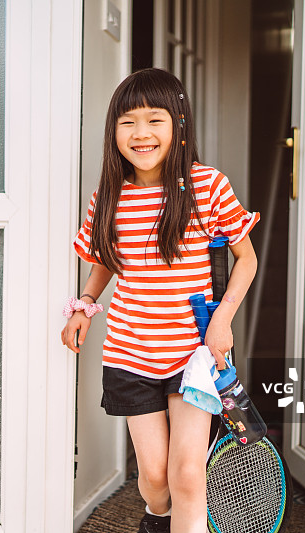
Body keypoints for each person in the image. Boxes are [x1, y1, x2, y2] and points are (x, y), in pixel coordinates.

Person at [60, 68, 259, 533]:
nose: (141, 133)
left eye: (155, 120)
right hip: (129, 352)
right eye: (128, 121)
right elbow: (109, 258)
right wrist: (86, 303)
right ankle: (157, 519)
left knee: (187, 476)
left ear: (180, 127)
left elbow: (246, 260)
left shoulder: (207, 186)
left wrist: (223, 320)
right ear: (114, 132)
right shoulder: (106, 197)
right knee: (154, 480)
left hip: (194, 354)